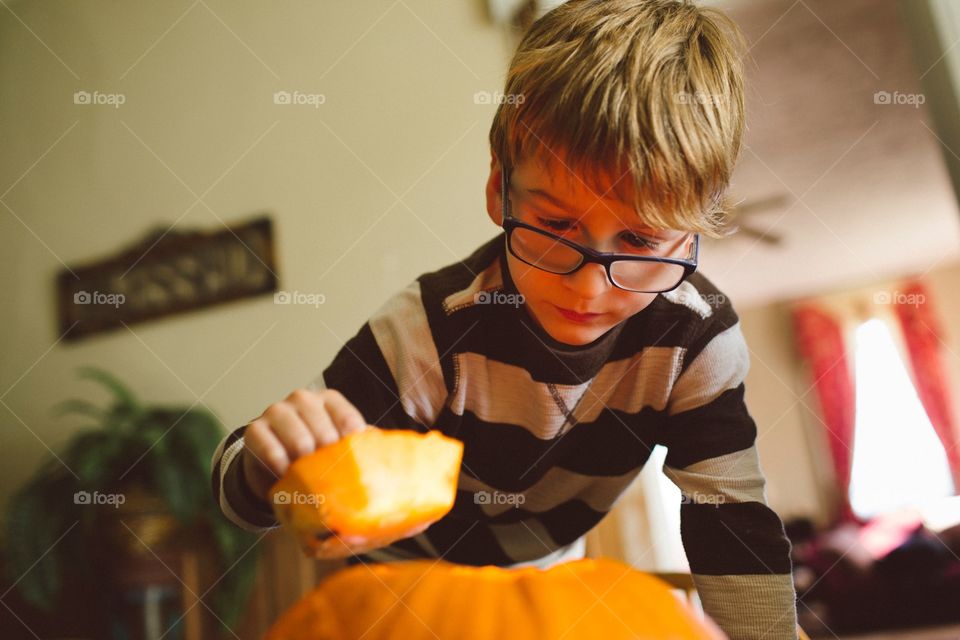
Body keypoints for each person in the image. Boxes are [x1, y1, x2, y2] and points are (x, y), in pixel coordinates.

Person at [211, 1, 799, 637]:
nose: (588, 283)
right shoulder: (429, 331)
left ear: (689, 238)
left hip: (541, 589)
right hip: (397, 598)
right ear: (500, 190)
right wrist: (272, 462)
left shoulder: (696, 341)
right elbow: (245, 497)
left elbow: (730, 521)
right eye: (553, 226)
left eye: (639, 240)